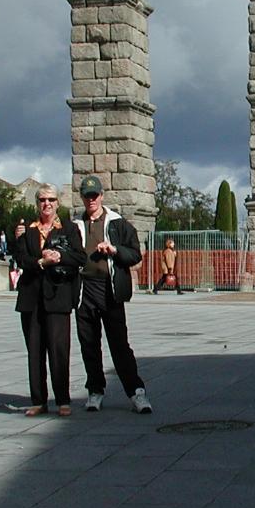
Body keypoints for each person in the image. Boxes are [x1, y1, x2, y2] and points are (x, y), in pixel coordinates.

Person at [73, 175, 152, 414]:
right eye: (87, 196)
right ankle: (95, 390)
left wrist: (114, 250)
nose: (91, 200)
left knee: (119, 344)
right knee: (89, 344)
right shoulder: (75, 225)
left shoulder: (119, 224)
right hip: (84, 289)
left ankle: (136, 391)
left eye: (94, 195)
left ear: (102, 195)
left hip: (109, 289)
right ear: (82, 198)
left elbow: (135, 254)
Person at [12, 185, 85, 416]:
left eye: (51, 199)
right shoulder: (26, 230)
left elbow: (80, 257)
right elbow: (21, 258)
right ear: (37, 203)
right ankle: (38, 400)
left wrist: (60, 256)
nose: (47, 204)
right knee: (35, 351)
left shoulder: (69, 228)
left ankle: (63, 400)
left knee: (59, 350)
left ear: (58, 203)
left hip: (58, 296)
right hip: (31, 298)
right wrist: (41, 262)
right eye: (42, 200)